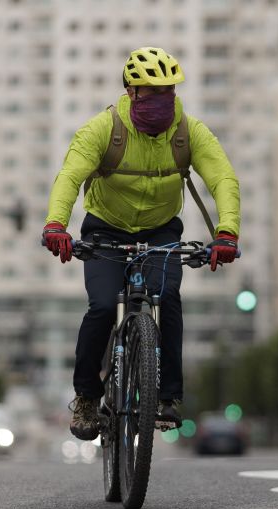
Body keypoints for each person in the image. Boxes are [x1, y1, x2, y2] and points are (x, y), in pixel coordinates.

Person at [42, 47, 240, 441]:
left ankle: (168, 398)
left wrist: (227, 232)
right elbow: (69, 176)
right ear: (131, 93)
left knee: (167, 298)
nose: (163, 101)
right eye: (153, 93)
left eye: (169, 92)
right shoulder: (102, 129)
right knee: (100, 306)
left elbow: (223, 178)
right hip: (106, 230)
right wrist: (56, 224)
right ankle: (86, 395)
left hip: (160, 232)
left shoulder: (189, 132)